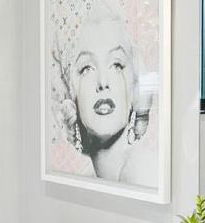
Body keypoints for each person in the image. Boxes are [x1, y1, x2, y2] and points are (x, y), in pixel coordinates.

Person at [54, 12, 156, 186]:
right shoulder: (88, 176)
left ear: (134, 84)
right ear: (71, 92)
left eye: (116, 65)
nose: (103, 82)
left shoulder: (140, 171)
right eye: (87, 68)